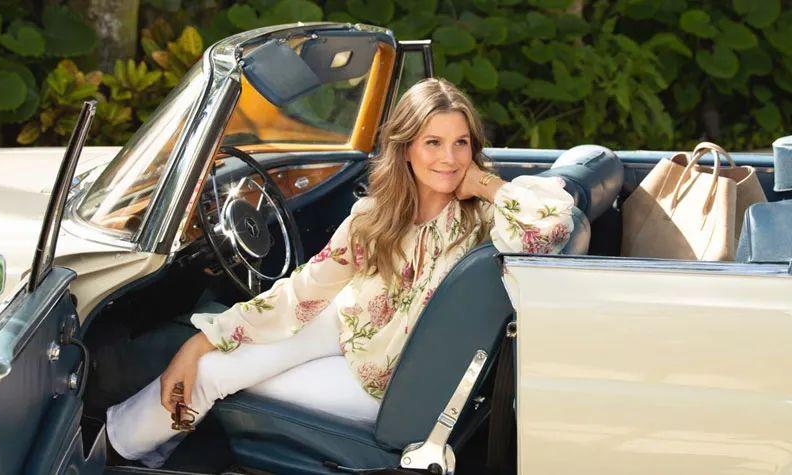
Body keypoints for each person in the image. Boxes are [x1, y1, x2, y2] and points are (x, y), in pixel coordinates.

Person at [106, 78, 575, 467]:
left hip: (387, 376)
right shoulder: (374, 216)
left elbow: (553, 225)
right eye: (433, 142)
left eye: (461, 143)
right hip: (348, 324)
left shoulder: (485, 220)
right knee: (208, 358)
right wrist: (200, 340)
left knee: (214, 374)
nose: (449, 159)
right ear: (405, 149)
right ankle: (129, 446)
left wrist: (485, 183)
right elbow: (301, 292)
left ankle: (118, 450)